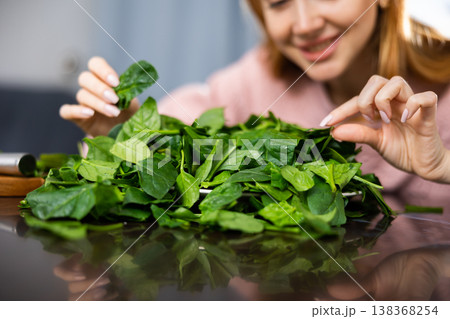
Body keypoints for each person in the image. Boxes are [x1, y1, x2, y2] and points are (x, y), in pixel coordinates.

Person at [60, 0, 450, 207]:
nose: (305, 23)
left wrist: (441, 166)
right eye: (279, 2)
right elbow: (172, 127)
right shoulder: (258, 80)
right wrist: (123, 134)